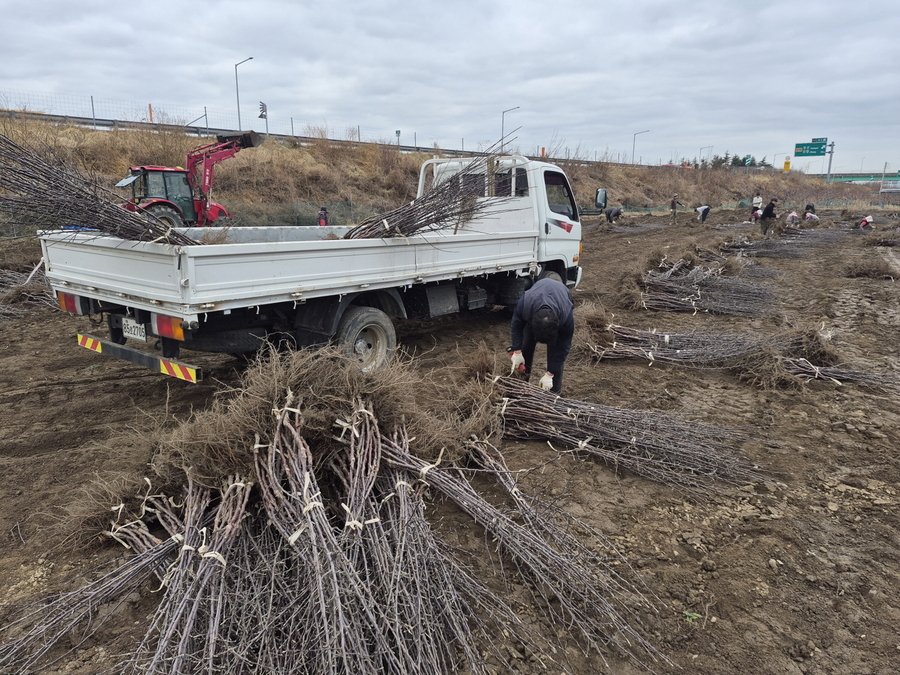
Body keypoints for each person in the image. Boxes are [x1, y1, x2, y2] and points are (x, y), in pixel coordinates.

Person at [508, 277, 574, 394]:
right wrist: (517, 350)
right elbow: (516, 326)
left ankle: (553, 393)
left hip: (560, 300)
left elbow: (563, 347)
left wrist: (550, 374)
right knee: (526, 347)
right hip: (534, 307)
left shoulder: (566, 319)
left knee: (555, 354)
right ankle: (521, 386)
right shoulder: (524, 305)